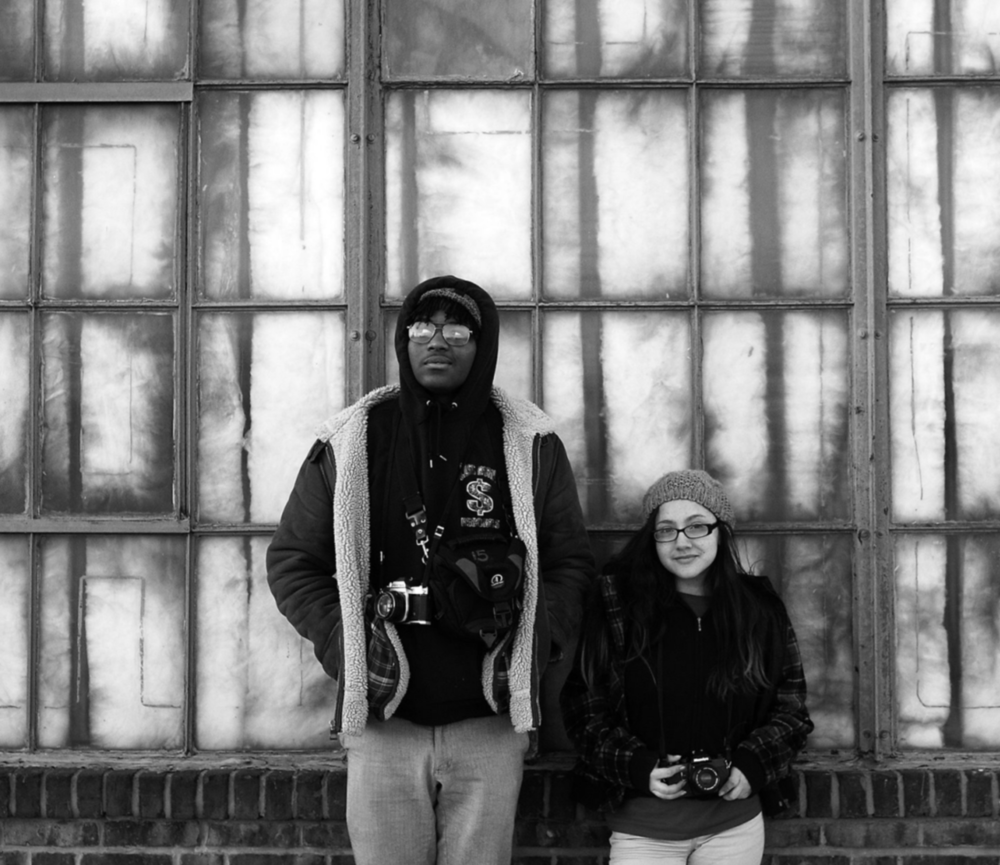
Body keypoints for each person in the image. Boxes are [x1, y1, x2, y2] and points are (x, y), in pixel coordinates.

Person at [267, 275, 594, 865]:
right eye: (422, 327)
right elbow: (294, 562)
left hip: (490, 719)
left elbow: (569, 561)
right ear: (404, 340)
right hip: (384, 720)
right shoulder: (353, 439)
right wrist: (348, 646)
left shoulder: (529, 442)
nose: (437, 342)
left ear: (483, 345)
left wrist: (535, 645)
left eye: (457, 331)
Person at [561, 470, 812, 865]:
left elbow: (792, 709)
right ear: (652, 539)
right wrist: (637, 766)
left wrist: (753, 764)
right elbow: (583, 708)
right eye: (666, 530)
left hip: (734, 828)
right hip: (643, 829)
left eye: (696, 526)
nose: (681, 542)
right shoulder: (618, 608)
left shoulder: (759, 611)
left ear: (720, 531)